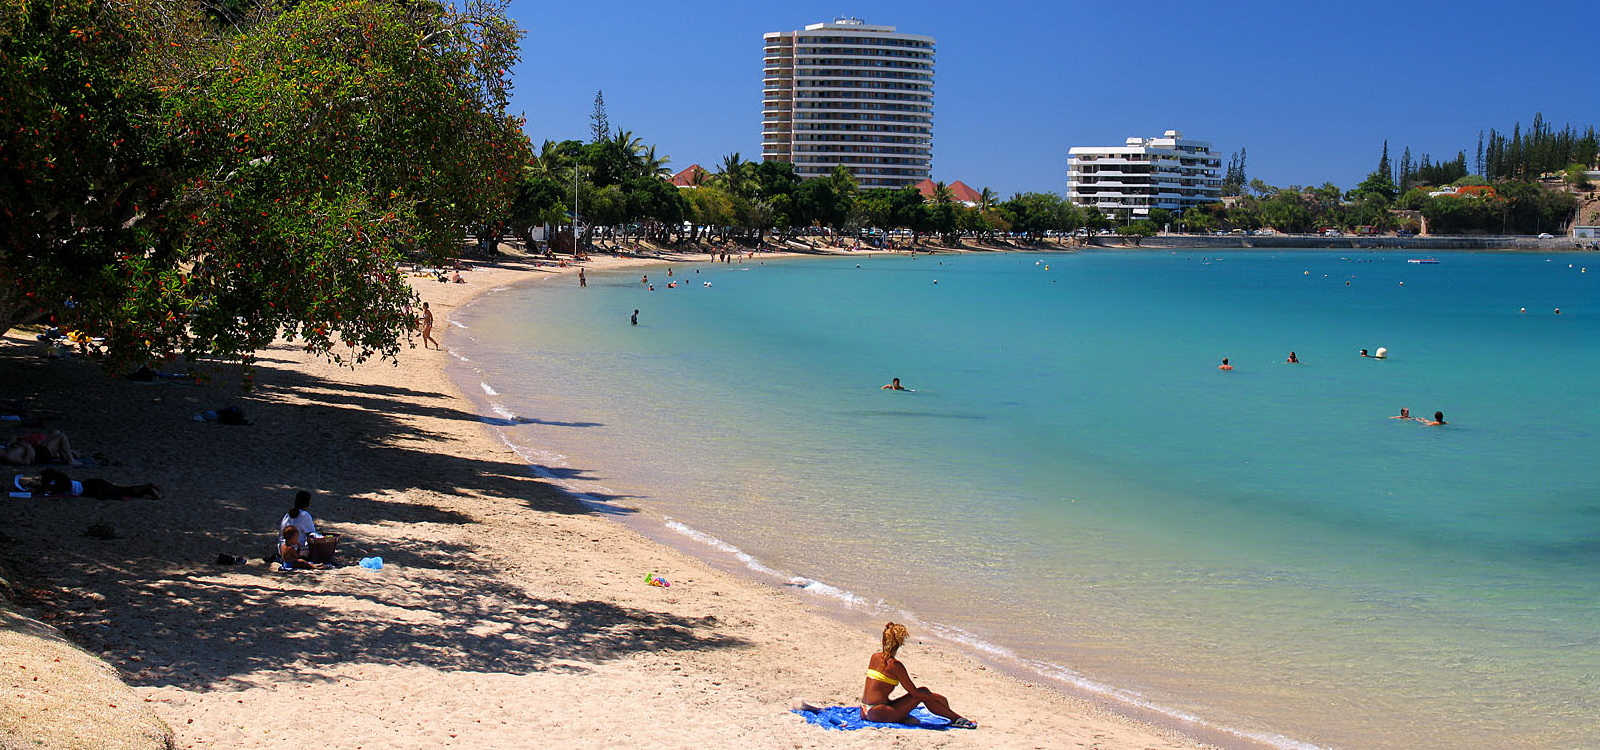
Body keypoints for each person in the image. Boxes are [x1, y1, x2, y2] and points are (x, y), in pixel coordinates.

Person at [861, 622, 976, 728]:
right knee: (923, 693)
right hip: (877, 713)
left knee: (924, 692)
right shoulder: (895, 665)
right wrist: (936, 697)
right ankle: (957, 718)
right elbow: (915, 693)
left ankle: (955, 717)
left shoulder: (874, 657)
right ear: (900, 643)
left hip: (865, 710)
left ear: (883, 640)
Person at [15, 468, 160, 499]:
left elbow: (62, 491)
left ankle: (147, 488)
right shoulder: (53, 477)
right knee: (121, 491)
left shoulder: (53, 481)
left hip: (91, 488)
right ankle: (146, 489)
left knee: (121, 492)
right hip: (90, 486)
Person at [2, 431, 78, 465]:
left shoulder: (8, 449)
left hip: (37, 448)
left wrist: (15, 442)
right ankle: (71, 460)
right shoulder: (9, 456)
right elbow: (26, 462)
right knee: (62, 436)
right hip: (40, 455)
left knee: (56, 432)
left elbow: (14, 438)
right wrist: (28, 447)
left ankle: (66, 455)